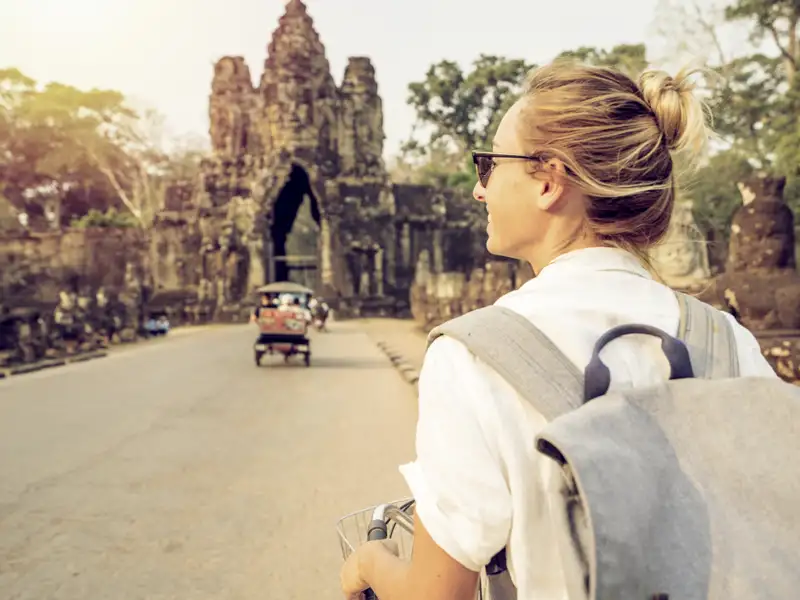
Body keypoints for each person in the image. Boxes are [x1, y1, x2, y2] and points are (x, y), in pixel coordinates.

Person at [340, 60, 778, 600]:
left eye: (489, 166)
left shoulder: (472, 356)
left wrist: (368, 564)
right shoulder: (729, 341)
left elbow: (434, 594)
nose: (480, 191)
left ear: (548, 181)